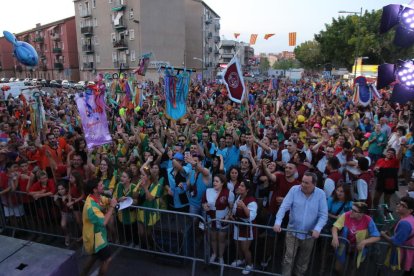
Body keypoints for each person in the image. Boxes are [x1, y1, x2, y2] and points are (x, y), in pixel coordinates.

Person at [273, 172, 328, 276]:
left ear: (314, 184)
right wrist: (277, 222)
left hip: (309, 234)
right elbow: (284, 206)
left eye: (306, 183)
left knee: (303, 260)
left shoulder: (321, 194)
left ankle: (299, 274)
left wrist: (318, 229)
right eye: (302, 181)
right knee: (288, 258)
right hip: (292, 231)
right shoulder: (294, 190)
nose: (302, 184)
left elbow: (323, 215)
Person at [331, 202, 380, 275]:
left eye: (354, 210)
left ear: (361, 214)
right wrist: (335, 237)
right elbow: (335, 227)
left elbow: (377, 237)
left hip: (358, 248)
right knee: (338, 267)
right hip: (344, 245)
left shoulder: (368, 220)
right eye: (351, 209)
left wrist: (364, 242)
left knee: (353, 267)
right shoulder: (346, 215)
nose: (351, 211)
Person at [81, 178, 118, 276]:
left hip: (98, 234)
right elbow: (104, 222)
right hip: (96, 238)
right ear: (95, 189)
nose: (104, 186)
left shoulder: (95, 197)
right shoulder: (91, 206)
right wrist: (112, 207)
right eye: (101, 185)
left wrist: (116, 200)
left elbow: (105, 200)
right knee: (107, 260)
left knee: (94, 257)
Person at [202, 174, 235, 265]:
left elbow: (232, 208)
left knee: (221, 240)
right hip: (211, 220)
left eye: (217, 181)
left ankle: (220, 257)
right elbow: (203, 203)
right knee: (213, 238)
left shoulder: (229, 193)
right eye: (214, 181)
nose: (214, 183)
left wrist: (227, 218)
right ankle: (214, 254)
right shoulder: (208, 191)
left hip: (223, 221)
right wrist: (205, 206)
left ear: (222, 183)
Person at [229, 180, 258, 275]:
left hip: (247, 228)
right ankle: (240, 259)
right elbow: (234, 211)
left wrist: (244, 207)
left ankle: (250, 264)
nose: (239, 187)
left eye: (242, 186)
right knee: (237, 245)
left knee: (245, 248)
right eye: (239, 185)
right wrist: (232, 216)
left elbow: (251, 217)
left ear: (247, 189)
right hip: (237, 225)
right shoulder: (239, 197)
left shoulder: (252, 201)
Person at [381, 196, 414, 275]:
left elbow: (396, 242)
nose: (399, 206)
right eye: (399, 203)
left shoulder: (404, 223)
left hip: (404, 253)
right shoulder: (411, 218)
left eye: (403, 205)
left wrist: (383, 235)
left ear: (410, 210)